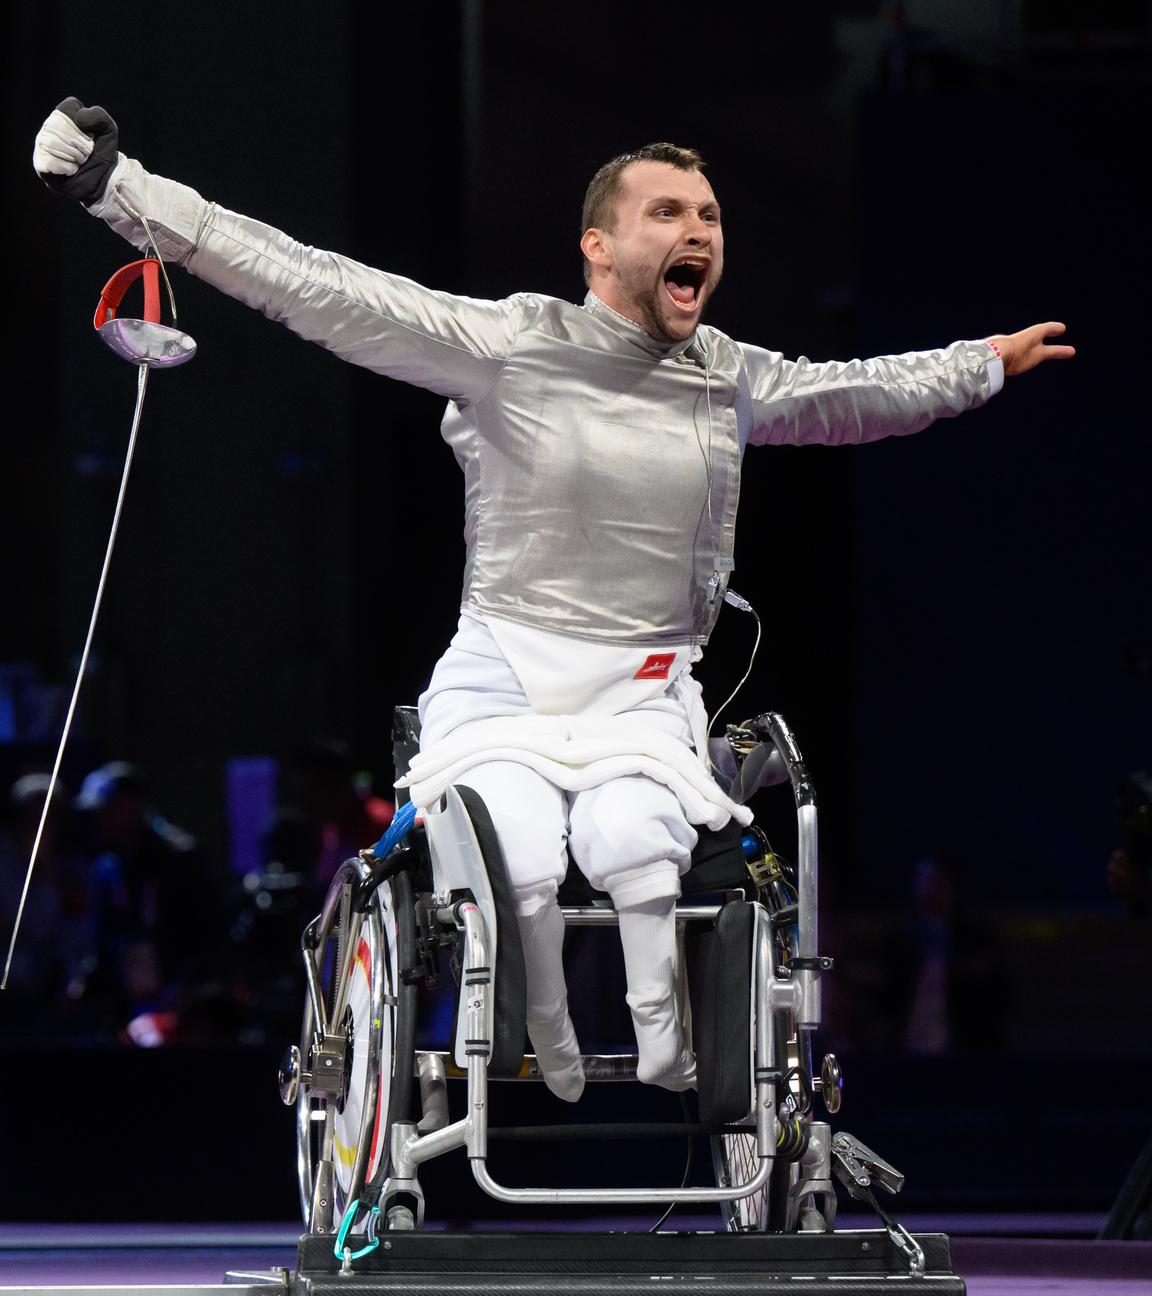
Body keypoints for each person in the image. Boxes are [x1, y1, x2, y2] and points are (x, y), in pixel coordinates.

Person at [33, 98, 1074, 1099]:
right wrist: (120, 192)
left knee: (635, 841)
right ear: (597, 247)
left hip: (646, 686)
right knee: (517, 847)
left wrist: (977, 365)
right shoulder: (512, 344)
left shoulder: (726, 374)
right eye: (667, 212)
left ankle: (664, 1035)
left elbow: (854, 396)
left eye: (709, 215)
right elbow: (317, 285)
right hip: (507, 671)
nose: (697, 230)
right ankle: (540, 1032)